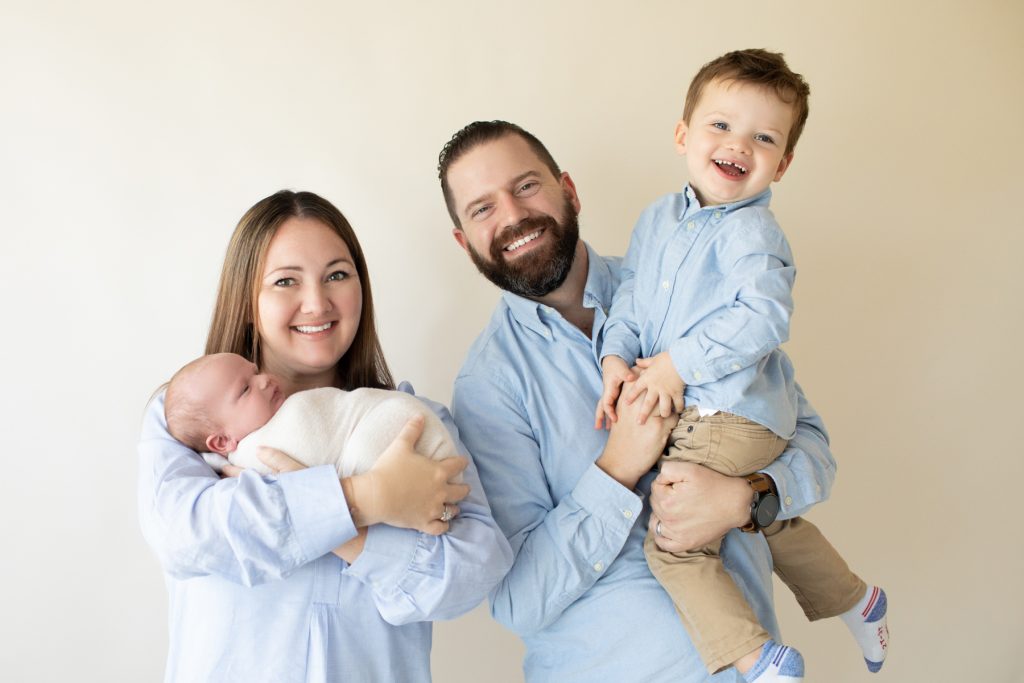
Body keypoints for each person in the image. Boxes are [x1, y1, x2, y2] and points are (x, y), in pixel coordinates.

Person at [437, 120, 836, 683]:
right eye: (481, 208)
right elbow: (516, 602)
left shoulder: (692, 290)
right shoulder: (487, 388)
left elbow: (812, 447)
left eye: (526, 185)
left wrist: (748, 500)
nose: (511, 214)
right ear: (464, 241)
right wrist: (618, 466)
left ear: (568, 190)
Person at [595, 50, 887, 681]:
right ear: (682, 135)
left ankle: (758, 660)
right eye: (721, 125)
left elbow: (763, 319)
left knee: (675, 539)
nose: (738, 145)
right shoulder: (657, 220)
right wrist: (616, 355)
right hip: (721, 415)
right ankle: (858, 600)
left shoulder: (752, 233)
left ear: (782, 163)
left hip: (728, 413)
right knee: (763, 521)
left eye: (763, 137)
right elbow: (630, 295)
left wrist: (673, 366)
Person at [138, 190, 512, 682]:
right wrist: (366, 499)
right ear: (248, 301)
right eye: (285, 281)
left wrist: (355, 541)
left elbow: (474, 570)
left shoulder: (412, 423)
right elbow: (189, 537)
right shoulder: (185, 415)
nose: (316, 303)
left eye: (337, 275)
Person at [164, 351, 460, 489]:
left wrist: (224, 466)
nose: (264, 381)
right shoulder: (253, 444)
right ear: (220, 441)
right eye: (245, 389)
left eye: (255, 373)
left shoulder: (288, 421)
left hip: (408, 428)